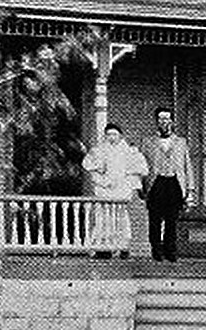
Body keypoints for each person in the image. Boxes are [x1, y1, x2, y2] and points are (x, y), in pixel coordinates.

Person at [81, 123, 149, 256]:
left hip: (120, 189)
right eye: (108, 135)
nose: (111, 137)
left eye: (114, 134)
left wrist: (128, 179)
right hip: (105, 189)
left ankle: (123, 247)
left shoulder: (128, 151)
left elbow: (142, 168)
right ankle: (103, 248)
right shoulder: (99, 150)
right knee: (104, 218)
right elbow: (88, 164)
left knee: (120, 218)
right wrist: (99, 175)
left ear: (120, 136)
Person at [143, 107, 196, 262]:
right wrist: (141, 186)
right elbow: (142, 165)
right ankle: (156, 250)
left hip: (175, 183)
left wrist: (190, 189)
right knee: (155, 220)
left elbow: (187, 166)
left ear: (172, 121)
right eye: (160, 119)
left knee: (172, 220)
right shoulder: (148, 142)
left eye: (166, 118)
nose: (163, 122)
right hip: (156, 183)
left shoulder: (181, 142)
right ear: (156, 122)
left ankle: (170, 250)